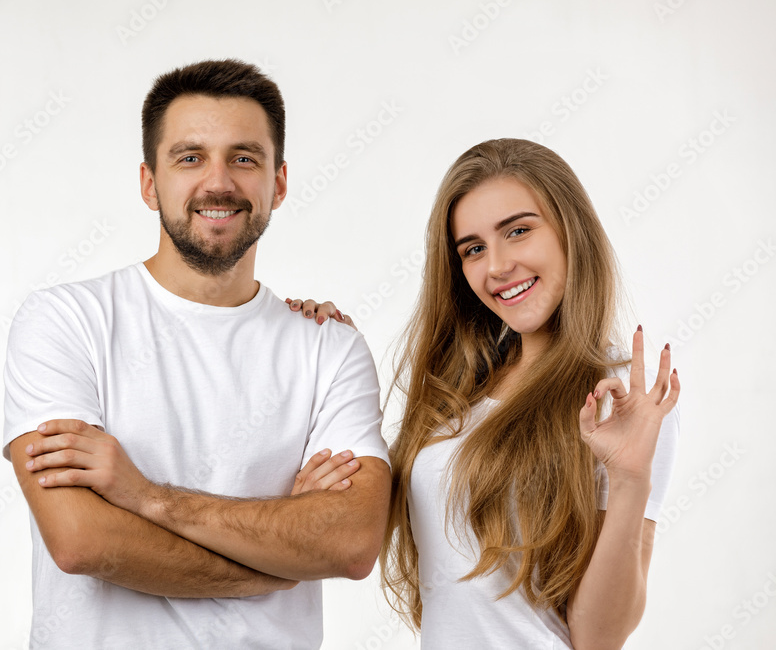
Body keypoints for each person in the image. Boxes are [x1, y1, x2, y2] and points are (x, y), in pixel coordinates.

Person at [1, 59, 391, 649]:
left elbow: (353, 541)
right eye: (190, 157)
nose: (218, 182)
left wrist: (146, 497)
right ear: (149, 183)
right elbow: (81, 540)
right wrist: (280, 559)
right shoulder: (65, 322)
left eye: (244, 157)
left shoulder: (328, 347)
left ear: (278, 183)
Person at [290, 138, 680, 649]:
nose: (496, 267)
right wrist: (327, 344)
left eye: (517, 231)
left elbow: (599, 639)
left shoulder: (617, 397)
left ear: (571, 230)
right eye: (473, 249)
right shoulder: (461, 389)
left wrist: (630, 481)